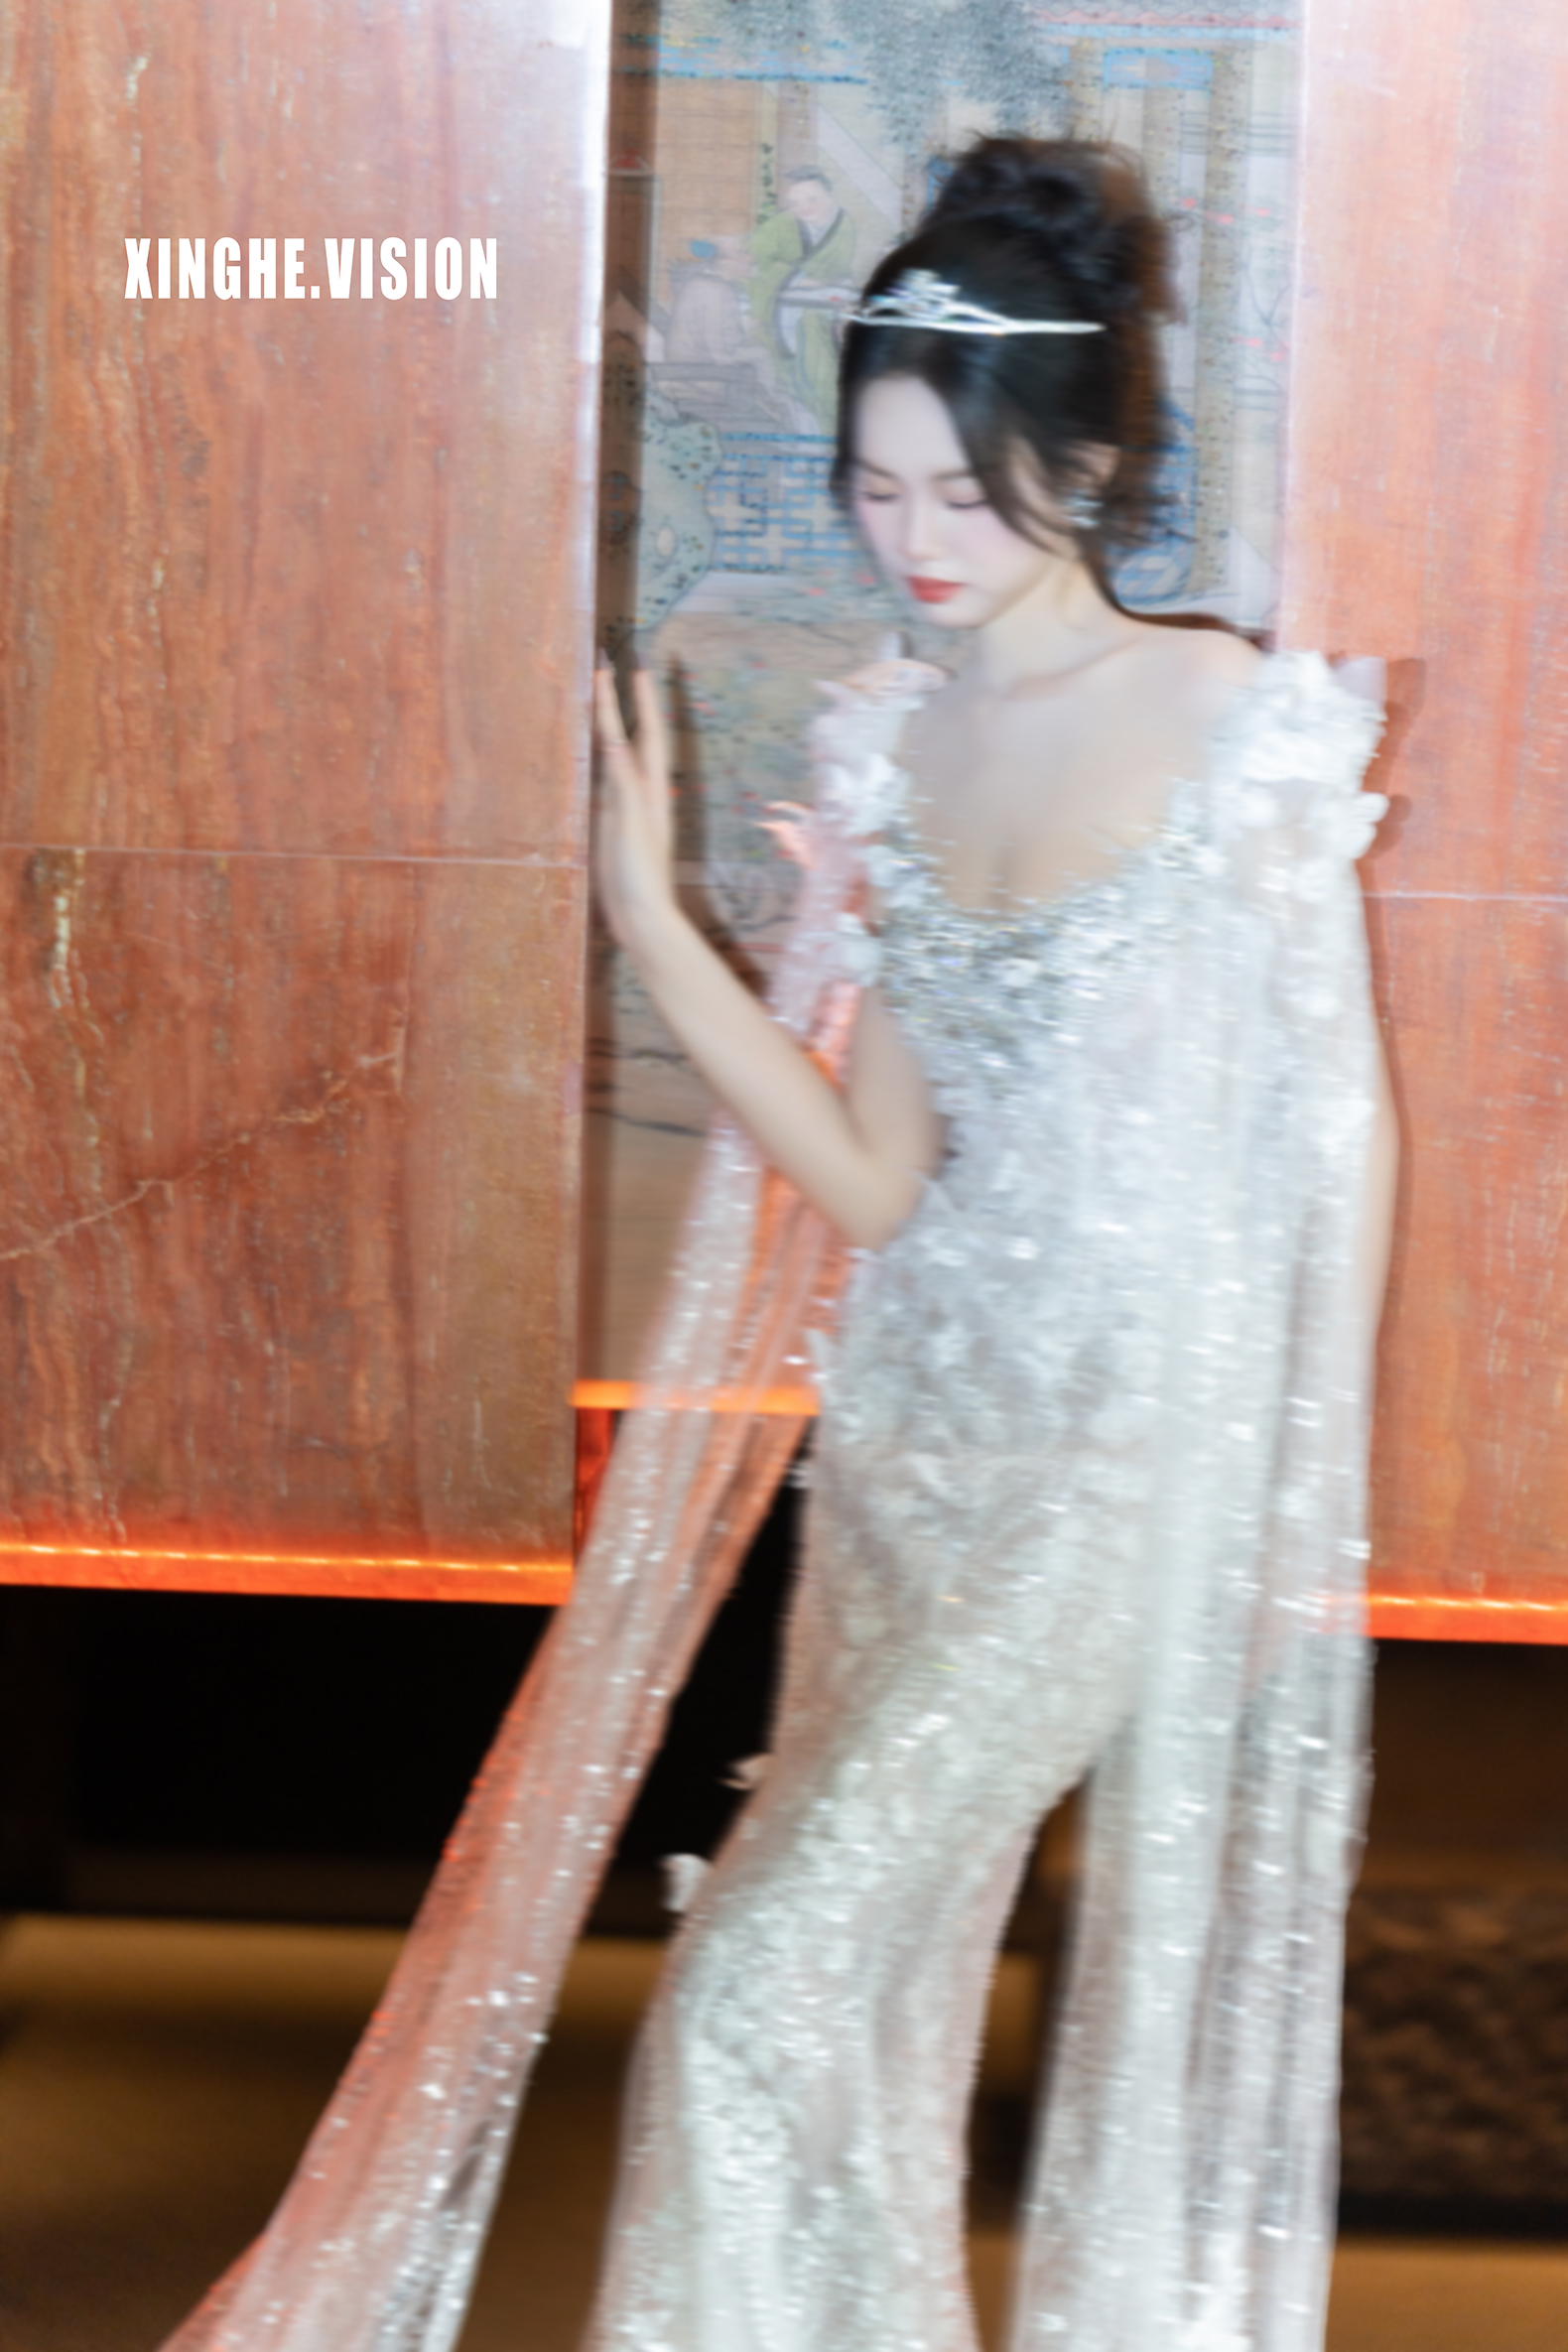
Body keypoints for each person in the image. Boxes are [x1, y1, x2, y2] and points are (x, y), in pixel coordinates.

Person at [158, 140, 1394, 2352]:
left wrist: (1297, 1492)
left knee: (754, 1978)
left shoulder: (1229, 718)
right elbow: (877, 1176)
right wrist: (651, 919)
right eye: (875, 491)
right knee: (840, 2010)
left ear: (1085, 467)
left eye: (963, 495)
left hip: (1126, 1471)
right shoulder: (902, 744)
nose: (914, 543)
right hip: (911, 1457)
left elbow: (1345, 1126)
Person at [749, 164, 858, 430]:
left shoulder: (844, 222)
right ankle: (820, 414)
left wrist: (839, 286)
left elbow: (841, 267)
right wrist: (799, 278)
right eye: (795, 203)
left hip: (829, 300)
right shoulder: (779, 225)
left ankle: (833, 414)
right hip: (782, 304)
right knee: (808, 341)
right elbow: (755, 264)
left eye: (812, 199)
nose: (805, 208)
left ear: (829, 196)